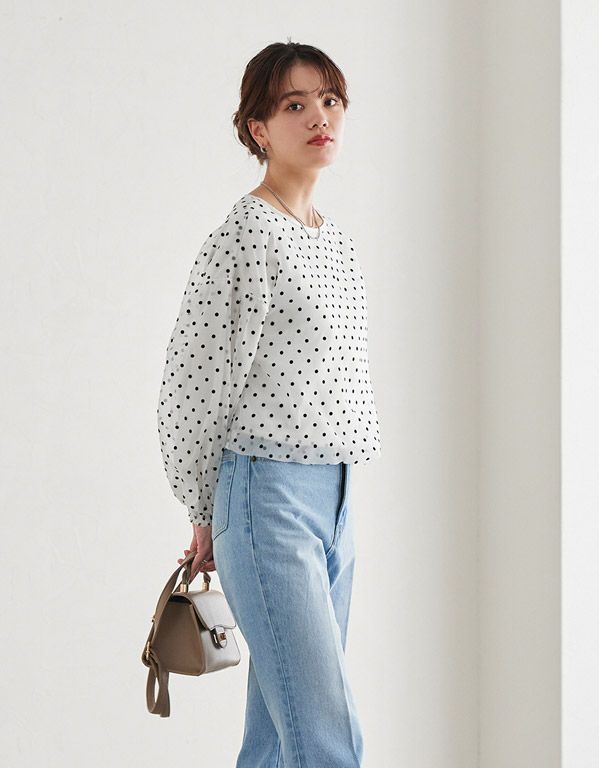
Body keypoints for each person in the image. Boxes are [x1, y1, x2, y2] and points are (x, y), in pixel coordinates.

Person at [156, 40, 381, 768]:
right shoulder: (247, 235)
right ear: (259, 128)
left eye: (330, 100)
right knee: (326, 739)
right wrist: (204, 509)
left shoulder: (336, 242)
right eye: (295, 104)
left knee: (281, 741)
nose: (320, 116)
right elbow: (192, 386)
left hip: (336, 500)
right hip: (268, 498)